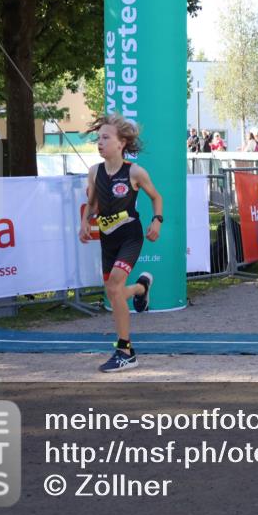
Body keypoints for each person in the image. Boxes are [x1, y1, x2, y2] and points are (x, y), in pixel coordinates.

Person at [79, 114, 163, 373]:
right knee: (114, 291)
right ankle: (140, 288)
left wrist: (157, 221)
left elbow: (156, 197)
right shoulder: (94, 172)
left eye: (106, 138)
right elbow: (92, 204)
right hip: (108, 238)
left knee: (114, 285)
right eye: (99, 138)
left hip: (130, 235)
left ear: (122, 142)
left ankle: (125, 350)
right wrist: (85, 221)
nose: (100, 142)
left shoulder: (135, 172)